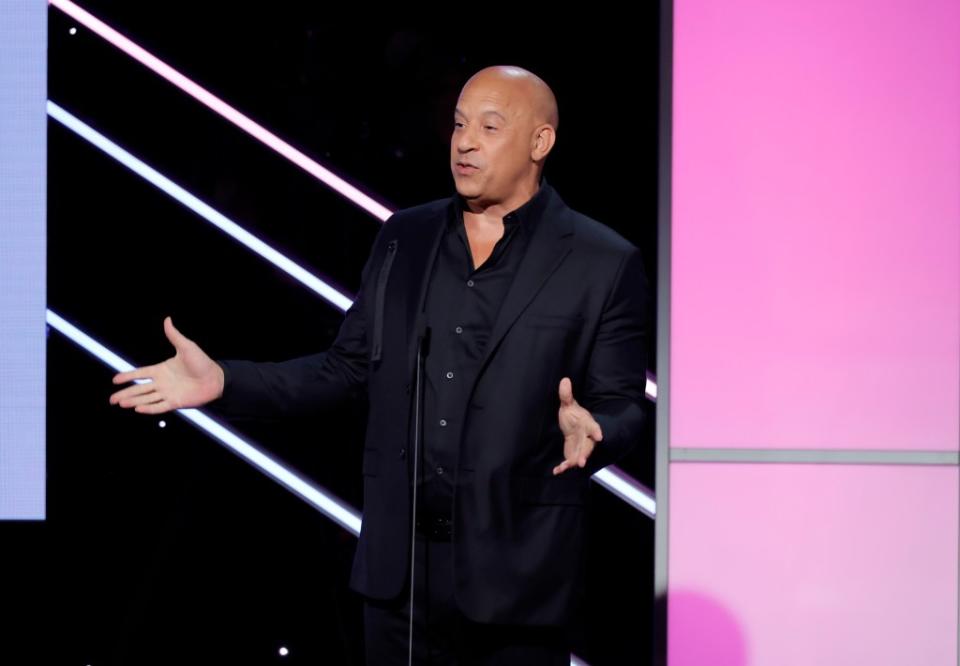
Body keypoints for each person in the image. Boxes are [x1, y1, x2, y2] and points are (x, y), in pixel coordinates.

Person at [109, 65, 652, 665]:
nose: (465, 142)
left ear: (540, 142)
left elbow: (623, 403)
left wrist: (596, 433)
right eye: (458, 124)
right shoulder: (406, 236)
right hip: (400, 583)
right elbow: (346, 370)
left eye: (490, 127)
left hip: (518, 581)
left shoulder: (601, 260)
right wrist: (225, 382)